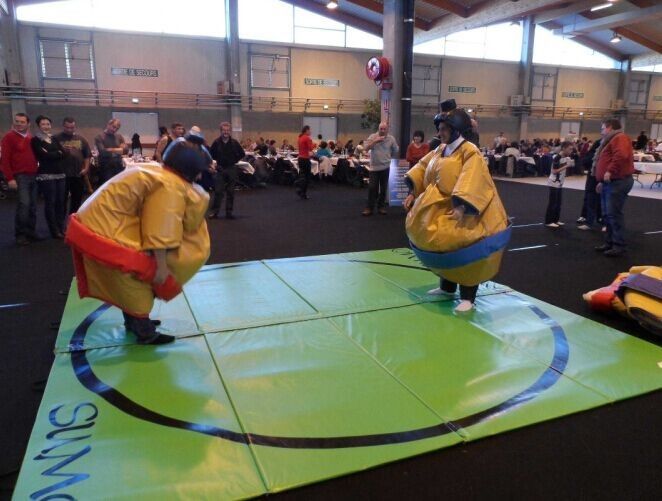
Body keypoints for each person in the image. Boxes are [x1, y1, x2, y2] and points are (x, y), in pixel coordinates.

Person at [65, 140, 211, 345]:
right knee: (138, 274)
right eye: (199, 172)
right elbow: (160, 228)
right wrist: (161, 266)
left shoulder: (157, 171)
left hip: (98, 222)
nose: (200, 177)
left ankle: (135, 321)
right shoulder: (170, 185)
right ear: (190, 169)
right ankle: (144, 331)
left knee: (127, 278)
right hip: (103, 230)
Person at [404, 108, 510, 313]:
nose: (440, 132)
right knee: (442, 246)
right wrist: (412, 192)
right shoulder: (440, 149)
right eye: (440, 128)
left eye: (444, 129)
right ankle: (447, 287)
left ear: (456, 129)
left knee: (465, 246)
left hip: (467, 209)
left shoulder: (470, 151)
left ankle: (468, 296)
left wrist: (462, 206)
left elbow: (474, 177)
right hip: (440, 206)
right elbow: (422, 168)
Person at [595, 118, 634, 257]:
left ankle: (618, 244)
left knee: (613, 214)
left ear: (609, 127)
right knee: (607, 215)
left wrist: (609, 171)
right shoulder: (612, 139)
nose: (601, 131)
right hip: (610, 182)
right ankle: (610, 242)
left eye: (602, 128)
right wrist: (602, 181)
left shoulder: (619, 138)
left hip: (617, 181)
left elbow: (621, 155)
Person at [0, 113, 39, 245]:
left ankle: (31, 232)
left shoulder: (30, 138)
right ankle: (20, 235)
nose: (19, 124)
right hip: (20, 177)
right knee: (24, 205)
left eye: (22, 122)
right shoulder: (9, 137)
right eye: (17, 121)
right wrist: (10, 178)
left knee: (33, 206)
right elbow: (4, 160)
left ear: (28, 124)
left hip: (34, 175)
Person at [31, 115, 67, 239]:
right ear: (38, 126)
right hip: (46, 175)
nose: (46, 126)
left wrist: (54, 153)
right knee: (50, 202)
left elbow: (65, 153)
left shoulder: (54, 138)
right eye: (43, 124)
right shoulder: (35, 140)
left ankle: (61, 227)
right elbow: (42, 155)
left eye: (48, 124)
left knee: (60, 202)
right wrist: (58, 153)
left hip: (60, 174)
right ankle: (54, 230)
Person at [54, 117, 92, 215]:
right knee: (61, 200)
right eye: (67, 127)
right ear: (63, 126)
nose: (69, 130)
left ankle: (73, 219)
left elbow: (87, 155)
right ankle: (60, 220)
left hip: (78, 174)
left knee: (77, 199)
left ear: (75, 127)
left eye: (72, 127)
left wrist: (86, 168)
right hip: (61, 174)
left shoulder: (81, 139)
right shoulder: (56, 138)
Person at [208, 122, 245, 219]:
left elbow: (242, 153)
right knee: (218, 191)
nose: (226, 132)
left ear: (230, 131)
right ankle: (215, 212)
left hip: (231, 168)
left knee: (231, 191)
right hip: (220, 169)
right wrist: (214, 164)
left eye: (228, 130)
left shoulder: (234, 143)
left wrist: (234, 160)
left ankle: (229, 212)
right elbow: (210, 155)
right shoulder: (216, 142)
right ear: (221, 131)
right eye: (224, 130)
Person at [362, 121, 399, 216]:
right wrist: (375, 141)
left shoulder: (391, 139)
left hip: (385, 167)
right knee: (372, 187)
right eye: (381, 129)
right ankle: (369, 208)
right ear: (378, 129)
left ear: (387, 130)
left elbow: (396, 150)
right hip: (374, 168)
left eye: (384, 129)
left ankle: (381, 207)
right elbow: (365, 148)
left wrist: (389, 156)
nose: (382, 130)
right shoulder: (372, 136)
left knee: (383, 188)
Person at [544, 141, 574, 228]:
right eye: (569, 149)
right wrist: (566, 166)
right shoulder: (557, 157)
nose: (571, 151)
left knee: (558, 203)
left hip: (560, 182)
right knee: (553, 203)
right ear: (564, 148)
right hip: (554, 182)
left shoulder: (566, 157)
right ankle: (548, 221)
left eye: (572, 149)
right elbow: (554, 171)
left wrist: (569, 164)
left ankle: (555, 220)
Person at [577, 139, 602, 231]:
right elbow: (585, 162)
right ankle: (596, 219)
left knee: (591, 199)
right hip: (596, 178)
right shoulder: (595, 154)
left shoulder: (594, 154)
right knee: (595, 199)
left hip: (595, 179)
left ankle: (590, 220)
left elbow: (585, 162)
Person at [94, 118, 126, 184]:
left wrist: (110, 149)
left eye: (117, 129)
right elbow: (103, 152)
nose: (114, 130)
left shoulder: (119, 137)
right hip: (106, 168)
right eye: (113, 127)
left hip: (118, 167)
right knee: (108, 187)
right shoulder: (99, 137)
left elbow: (126, 150)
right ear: (108, 124)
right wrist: (118, 151)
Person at [296, 125, 314, 200]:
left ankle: (300, 189)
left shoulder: (300, 138)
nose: (310, 132)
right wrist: (314, 144)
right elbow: (311, 148)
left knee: (302, 176)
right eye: (310, 130)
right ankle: (303, 193)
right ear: (306, 130)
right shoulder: (307, 138)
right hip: (305, 159)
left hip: (300, 158)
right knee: (306, 177)